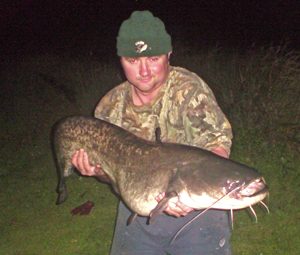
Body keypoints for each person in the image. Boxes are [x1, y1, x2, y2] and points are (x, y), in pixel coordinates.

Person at [72, 10, 233, 255]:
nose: (144, 71)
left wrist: (188, 195)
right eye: (133, 61)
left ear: (168, 55)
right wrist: (95, 170)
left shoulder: (188, 91)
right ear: (121, 60)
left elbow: (217, 147)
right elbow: (111, 175)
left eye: (153, 58)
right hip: (138, 208)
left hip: (199, 210)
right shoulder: (109, 107)